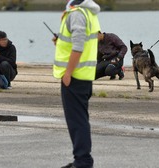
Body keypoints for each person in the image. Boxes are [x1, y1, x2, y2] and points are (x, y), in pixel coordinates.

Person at [52, 0, 100, 168]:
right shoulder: (88, 12)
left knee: (76, 121)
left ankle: (83, 161)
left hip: (75, 76)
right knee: (79, 119)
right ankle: (81, 159)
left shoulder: (77, 14)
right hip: (83, 75)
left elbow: (78, 47)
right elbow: (81, 42)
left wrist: (68, 73)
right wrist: (59, 43)